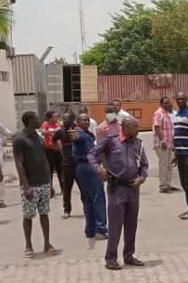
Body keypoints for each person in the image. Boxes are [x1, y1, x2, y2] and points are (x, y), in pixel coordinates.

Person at [91, 116, 149, 270]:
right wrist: (99, 169)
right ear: (125, 128)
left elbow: (144, 165)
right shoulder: (111, 141)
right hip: (117, 188)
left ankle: (129, 255)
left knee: (131, 224)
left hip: (133, 188)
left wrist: (141, 178)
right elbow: (91, 155)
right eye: (135, 127)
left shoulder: (138, 144)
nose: (138, 130)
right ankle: (111, 258)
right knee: (115, 225)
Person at [13, 111, 60, 258]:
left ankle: (47, 243)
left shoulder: (38, 137)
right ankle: (28, 245)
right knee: (28, 216)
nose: (39, 120)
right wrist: (26, 186)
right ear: (29, 121)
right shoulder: (19, 139)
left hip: (43, 182)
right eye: (36, 118)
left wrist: (50, 183)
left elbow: (45, 160)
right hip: (30, 184)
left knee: (44, 214)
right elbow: (19, 163)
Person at [73, 112, 108, 242]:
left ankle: (90, 229)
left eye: (88, 120)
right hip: (88, 167)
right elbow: (75, 137)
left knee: (88, 198)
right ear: (77, 122)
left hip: (83, 168)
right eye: (83, 120)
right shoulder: (80, 133)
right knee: (97, 197)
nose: (87, 122)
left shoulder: (87, 133)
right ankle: (100, 229)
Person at [54, 112, 78, 218]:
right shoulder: (60, 131)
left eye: (66, 118)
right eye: (63, 118)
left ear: (72, 119)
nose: (64, 120)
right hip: (66, 164)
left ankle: (87, 209)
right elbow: (54, 140)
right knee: (66, 189)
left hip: (78, 163)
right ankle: (67, 210)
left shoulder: (78, 130)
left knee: (83, 189)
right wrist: (61, 150)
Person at [152, 96, 177, 193]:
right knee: (164, 164)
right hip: (162, 144)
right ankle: (163, 185)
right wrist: (162, 141)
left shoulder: (167, 114)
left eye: (168, 102)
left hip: (169, 143)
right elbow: (157, 127)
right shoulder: (158, 113)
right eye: (165, 103)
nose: (167, 104)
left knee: (169, 164)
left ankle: (168, 184)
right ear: (161, 104)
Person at [41, 110, 63, 197]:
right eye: (55, 117)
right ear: (50, 118)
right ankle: (50, 190)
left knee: (60, 170)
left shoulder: (58, 124)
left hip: (58, 150)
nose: (57, 118)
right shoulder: (46, 124)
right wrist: (53, 131)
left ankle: (63, 189)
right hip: (49, 150)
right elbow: (43, 132)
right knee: (49, 170)